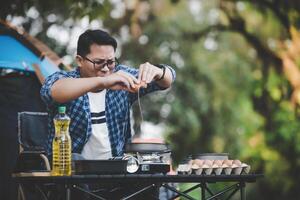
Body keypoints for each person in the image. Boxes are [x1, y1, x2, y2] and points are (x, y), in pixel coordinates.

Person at [40, 29, 176, 199]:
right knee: (72, 160)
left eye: (110, 62)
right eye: (99, 62)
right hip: (73, 178)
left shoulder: (121, 76)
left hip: (116, 176)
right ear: (80, 60)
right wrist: (103, 82)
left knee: (149, 173)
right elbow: (51, 90)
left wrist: (158, 71)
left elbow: (168, 80)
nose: (106, 69)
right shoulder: (66, 80)